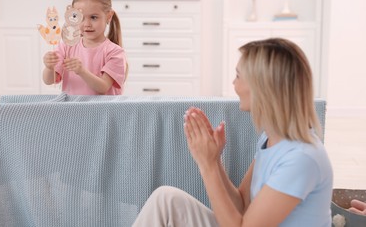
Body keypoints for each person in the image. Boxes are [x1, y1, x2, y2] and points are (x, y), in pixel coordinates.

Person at [132, 38, 333, 226]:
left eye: (238, 76)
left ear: (262, 89)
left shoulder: (301, 159)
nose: (233, 84)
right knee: (166, 199)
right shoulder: (271, 138)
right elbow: (243, 205)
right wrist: (216, 160)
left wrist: (207, 165)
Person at [42, 0, 127, 95]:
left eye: (93, 17)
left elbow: (103, 87)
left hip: (102, 111)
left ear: (108, 16)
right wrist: (49, 67)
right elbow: (48, 80)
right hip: (74, 111)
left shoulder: (115, 52)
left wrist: (82, 71)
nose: (87, 24)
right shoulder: (66, 46)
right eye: (80, 18)